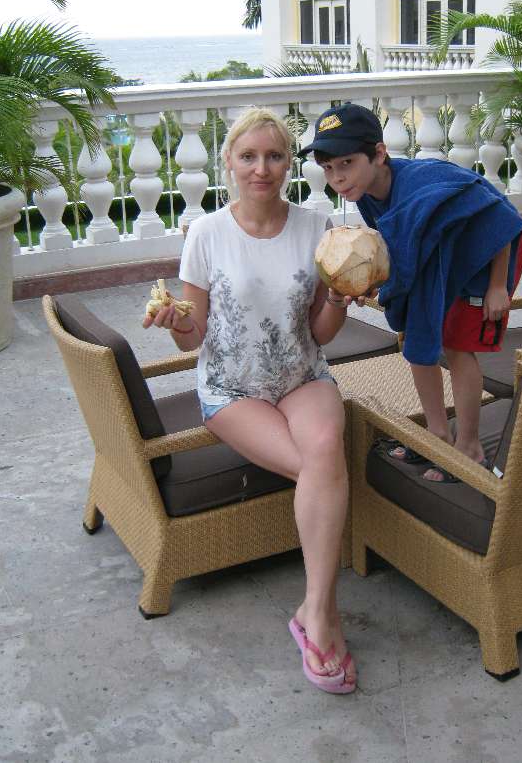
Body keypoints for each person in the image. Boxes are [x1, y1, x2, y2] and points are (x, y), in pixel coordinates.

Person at [143, 107, 357, 694]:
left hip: (303, 376)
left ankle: (316, 611)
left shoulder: (316, 228)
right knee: (326, 469)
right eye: (249, 156)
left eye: (274, 156)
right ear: (229, 163)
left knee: (323, 451)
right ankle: (325, 617)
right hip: (232, 388)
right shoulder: (207, 234)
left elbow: (319, 333)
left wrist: (341, 297)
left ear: (289, 164)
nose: (262, 168)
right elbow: (193, 336)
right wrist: (174, 323)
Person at [301, 102, 522, 482]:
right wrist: (371, 281)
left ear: (379, 154)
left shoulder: (426, 182)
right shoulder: (367, 191)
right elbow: (401, 244)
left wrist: (496, 286)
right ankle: (437, 434)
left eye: (347, 163)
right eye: (328, 168)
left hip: (483, 259)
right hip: (439, 257)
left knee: (456, 347)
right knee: (418, 340)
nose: (337, 178)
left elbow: (504, 217)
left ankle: (469, 448)